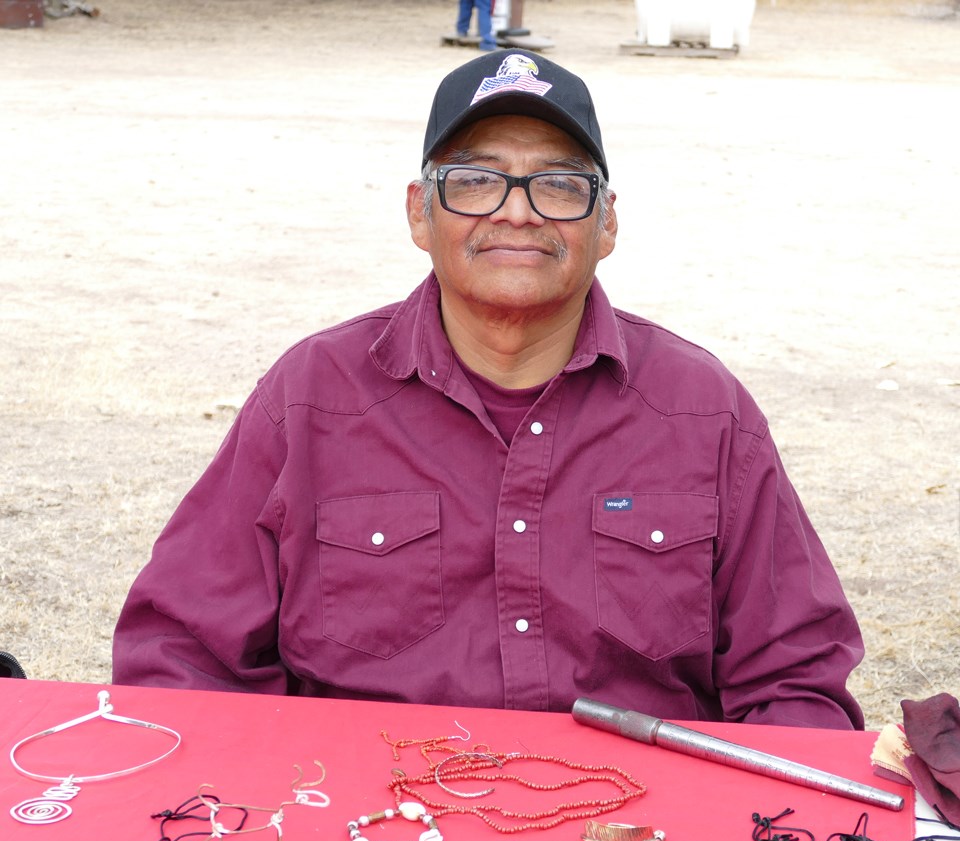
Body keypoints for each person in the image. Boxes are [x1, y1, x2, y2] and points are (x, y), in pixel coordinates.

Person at [113, 50, 865, 730]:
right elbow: (181, 656)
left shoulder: (702, 409)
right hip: (369, 838)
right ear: (419, 211)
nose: (517, 209)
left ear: (605, 223)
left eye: (560, 184)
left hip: (635, 840)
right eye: (474, 180)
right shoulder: (310, 398)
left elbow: (794, 680)